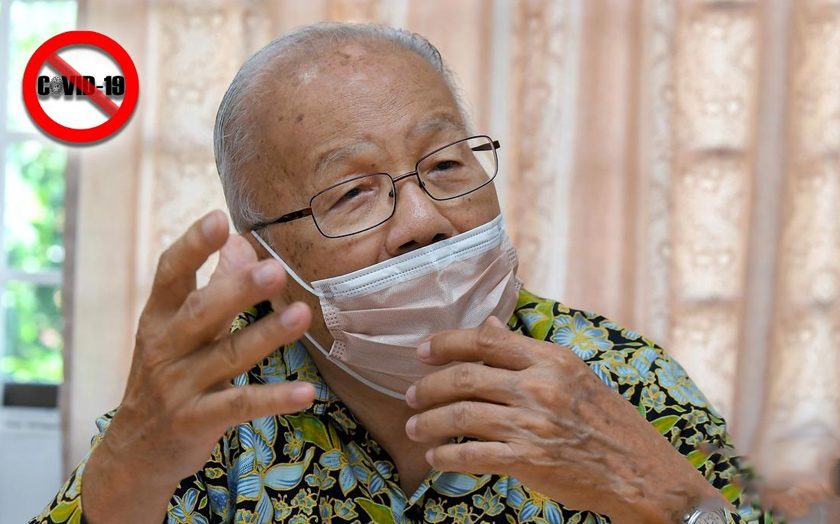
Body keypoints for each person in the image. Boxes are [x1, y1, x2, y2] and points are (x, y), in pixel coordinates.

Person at [32, 22, 778, 524]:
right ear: (266, 257)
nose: (423, 219)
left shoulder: (624, 380)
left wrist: (673, 500)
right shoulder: (211, 412)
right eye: (352, 191)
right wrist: (123, 474)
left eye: (447, 164)